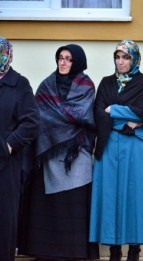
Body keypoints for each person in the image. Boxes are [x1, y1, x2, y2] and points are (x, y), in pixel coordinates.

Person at [90, 39, 143, 261]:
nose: (121, 61)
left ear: (134, 59)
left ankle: (135, 248)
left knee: (136, 196)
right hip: (109, 143)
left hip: (136, 146)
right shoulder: (106, 83)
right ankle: (114, 249)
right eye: (118, 56)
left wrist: (114, 109)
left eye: (126, 57)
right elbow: (98, 113)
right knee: (111, 196)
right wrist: (127, 117)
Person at [18, 44, 99, 260]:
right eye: (60, 58)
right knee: (51, 208)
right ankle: (46, 252)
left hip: (76, 154)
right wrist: (60, 120)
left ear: (78, 62)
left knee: (74, 207)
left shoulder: (86, 86)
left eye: (68, 59)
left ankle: (75, 253)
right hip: (49, 154)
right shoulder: (46, 86)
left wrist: (56, 118)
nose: (63, 62)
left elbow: (83, 115)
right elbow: (38, 116)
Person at [0, 37, 40, 261]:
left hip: (6, 165)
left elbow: (31, 122)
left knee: (4, 221)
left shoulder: (19, 84)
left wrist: (9, 145)